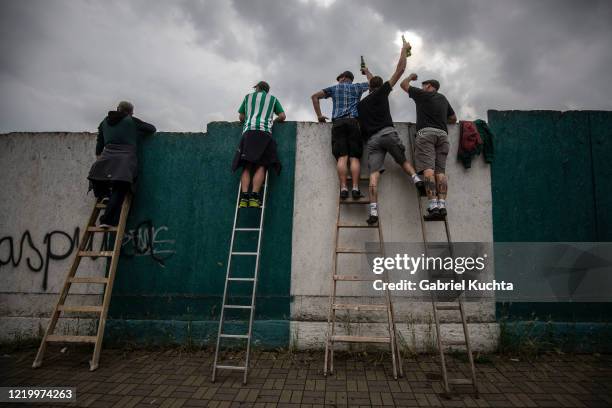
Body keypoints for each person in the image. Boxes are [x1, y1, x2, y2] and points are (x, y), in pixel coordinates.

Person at [357, 42, 424, 225]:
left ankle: (373, 212)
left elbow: (373, 84)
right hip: (387, 133)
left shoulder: (361, 105)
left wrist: (367, 72)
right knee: (402, 161)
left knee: (374, 175)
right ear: (380, 87)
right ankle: (415, 178)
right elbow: (400, 70)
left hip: (372, 140)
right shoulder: (381, 94)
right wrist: (404, 49)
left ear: (369, 87)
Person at [87, 101, 156, 227]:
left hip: (106, 158)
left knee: (100, 180)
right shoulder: (131, 121)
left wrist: (100, 157)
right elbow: (151, 129)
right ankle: (107, 220)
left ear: (118, 109)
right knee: (120, 189)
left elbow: (99, 145)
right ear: (130, 112)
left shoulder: (104, 122)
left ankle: (105, 196)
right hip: (125, 160)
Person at [400, 74, 457, 220]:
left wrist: (411, 77)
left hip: (426, 135)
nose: (421, 87)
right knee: (440, 172)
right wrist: (439, 118)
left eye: (424, 85)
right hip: (443, 136)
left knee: (428, 170)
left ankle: (433, 206)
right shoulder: (443, 98)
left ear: (430, 86)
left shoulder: (422, 95)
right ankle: (442, 204)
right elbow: (453, 118)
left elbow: (403, 85)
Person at [311, 68, 371, 199]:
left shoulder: (334, 88)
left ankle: (343, 189)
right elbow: (374, 83)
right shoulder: (358, 87)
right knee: (354, 158)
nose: (338, 82)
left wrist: (319, 115)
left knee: (342, 157)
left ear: (343, 77)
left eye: (339, 79)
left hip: (338, 123)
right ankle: (355, 189)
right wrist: (366, 72)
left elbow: (314, 96)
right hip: (353, 122)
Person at [232, 81, 286, 208]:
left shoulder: (248, 97)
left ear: (257, 88)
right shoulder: (272, 99)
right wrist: (272, 121)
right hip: (264, 133)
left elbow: (241, 117)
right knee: (262, 165)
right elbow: (282, 116)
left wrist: (250, 120)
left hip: (249, 132)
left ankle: (244, 197)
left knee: (246, 166)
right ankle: (255, 197)